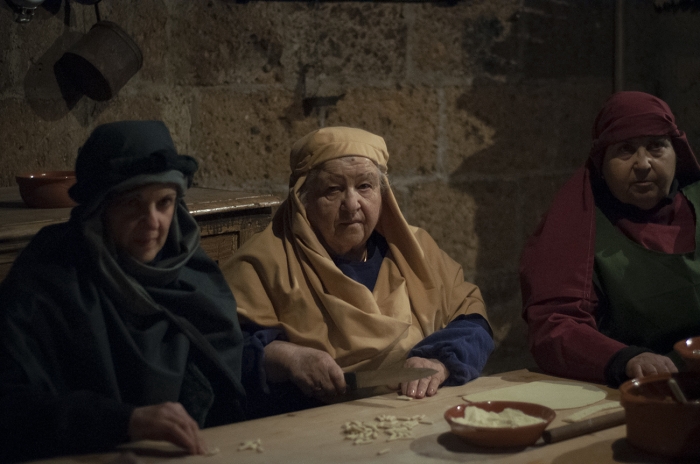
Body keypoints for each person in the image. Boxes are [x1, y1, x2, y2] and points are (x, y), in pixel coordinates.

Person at [0, 121, 257, 462]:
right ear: (100, 208)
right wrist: (125, 421)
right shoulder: (50, 277)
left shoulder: (191, 273)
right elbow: (11, 404)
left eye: (164, 202)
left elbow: (221, 370)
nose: (152, 221)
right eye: (132, 204)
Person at [221, 126, 494, 417]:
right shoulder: (264, 263)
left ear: (383, 194)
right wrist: (286, 357)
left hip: (416, 417)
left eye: (365, 186)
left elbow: (473, 320)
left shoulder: (418, 251)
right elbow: (222, 350)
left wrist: (440, 362)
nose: (352, 205)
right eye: (333, 190)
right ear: (304, 200)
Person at [520, 91, 700, 387]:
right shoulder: (578, 226)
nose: (643, 164)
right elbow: (555, 325)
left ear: (676, 153)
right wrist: (625, 359)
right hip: (636, 389)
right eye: (625, 150)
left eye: (656, 147)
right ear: (602, 163)